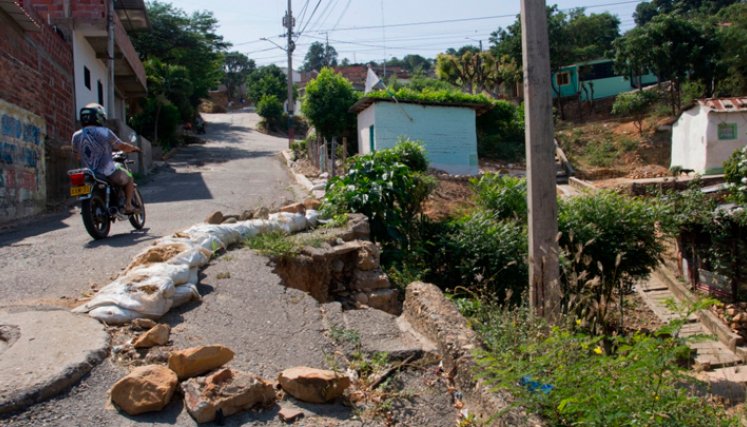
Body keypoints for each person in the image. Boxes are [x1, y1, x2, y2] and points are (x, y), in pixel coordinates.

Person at [71, 103, 141, 214]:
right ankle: (128, 206)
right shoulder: (105, 132)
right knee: (129, 177)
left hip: (88, 172)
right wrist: (133, 148)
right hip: (107, 172)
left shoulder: (76, 135)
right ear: (98, 117)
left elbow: (77, 156)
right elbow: (121, 146)